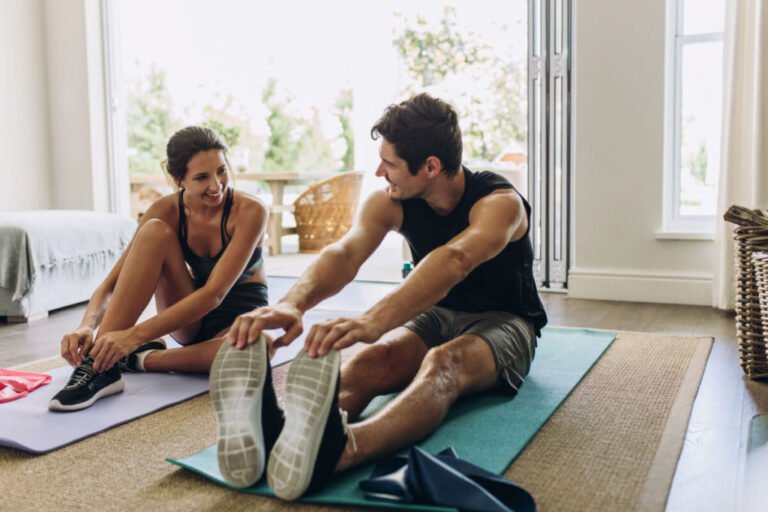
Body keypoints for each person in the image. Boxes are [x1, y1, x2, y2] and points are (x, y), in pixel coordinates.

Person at [209, 93, 548, 497]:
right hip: (438, 313)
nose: (379, 171)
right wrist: (291, 303)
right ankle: (280, 433)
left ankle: (342, 451)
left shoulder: (500, 204)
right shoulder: (392, 201)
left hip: (506, 321)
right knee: (374, 359)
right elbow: (345, 254)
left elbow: (455, 259)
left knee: (444, 363)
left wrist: (374, 319)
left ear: (431, 167)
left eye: (390, 163)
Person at [49, 126, 270, 412]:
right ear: (178, 179)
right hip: (189, 316)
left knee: (257, 349)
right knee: (154, 231)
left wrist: (132, 338)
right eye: (201, 177)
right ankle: (98, 367)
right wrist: (86, 325)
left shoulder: (251, 211)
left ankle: (136, 359)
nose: (216, 185)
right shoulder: (166, 210)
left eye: (221, 171)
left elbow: (214, 295)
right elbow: (112, 283)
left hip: (239, 317)